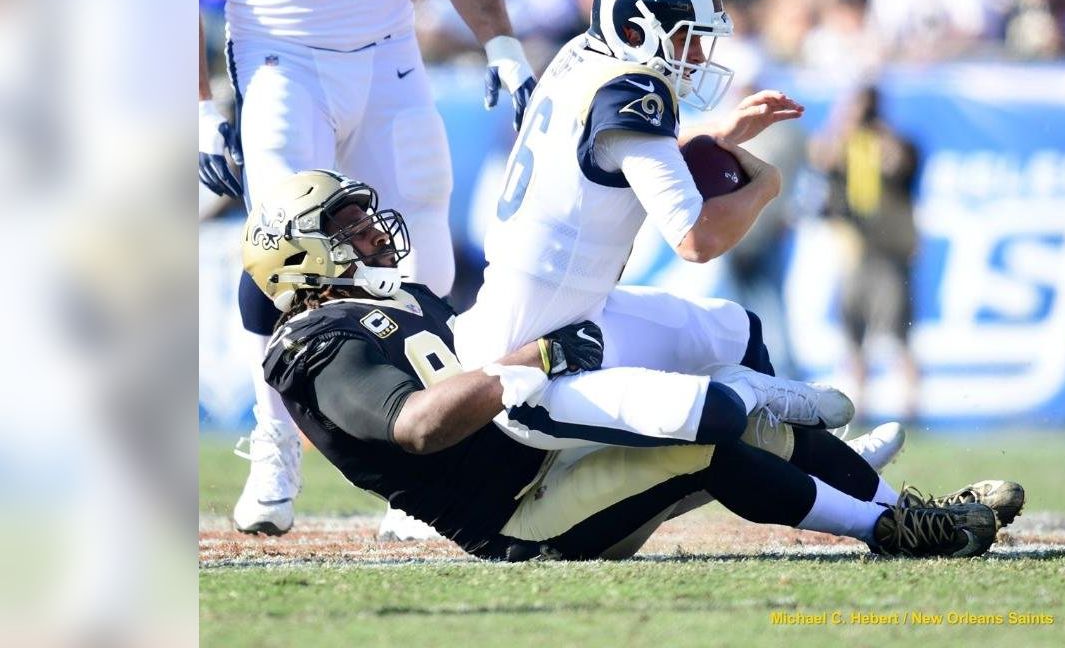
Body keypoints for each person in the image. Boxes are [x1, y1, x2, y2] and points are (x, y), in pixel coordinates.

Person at [241, 170, 1025, 560]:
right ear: (301, 261)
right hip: (519, 516)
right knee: (705, 443)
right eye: (349, 229)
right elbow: (417, 427)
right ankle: (890, 530)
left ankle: (906, 505)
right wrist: (537, 356)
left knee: (744, 416)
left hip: (535, 453)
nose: (375, 235)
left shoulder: (398, 298)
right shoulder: (319, 347)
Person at [198, 0, 537, 540]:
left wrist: (502, 42)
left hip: (389, 55)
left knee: (420, 252)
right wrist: (197, 107)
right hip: (280, 57)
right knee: (285, 243)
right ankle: (276, 442)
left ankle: (422, 475)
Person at [454, 0, 867, 454]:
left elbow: (611, 149)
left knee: (736, 333)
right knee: (716, 411)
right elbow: (698, 240)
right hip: (528, 372)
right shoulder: (634, 87)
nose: (696, 53)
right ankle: (820, 468)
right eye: (685, 37)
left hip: (570, 315)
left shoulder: (581, 57)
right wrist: (768, 185)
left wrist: (714, 131)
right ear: (634, 32)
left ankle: (842, 468)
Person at [814, 85, 922, 427]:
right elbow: (820, 157)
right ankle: (859, 410)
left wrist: (876, 128)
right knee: (853, 339)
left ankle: (911, 409)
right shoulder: (844, 146)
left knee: (896, 337)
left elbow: (899, 162)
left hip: (888, 254)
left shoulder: (893, 144)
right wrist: (842, 123)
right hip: (854, 255)